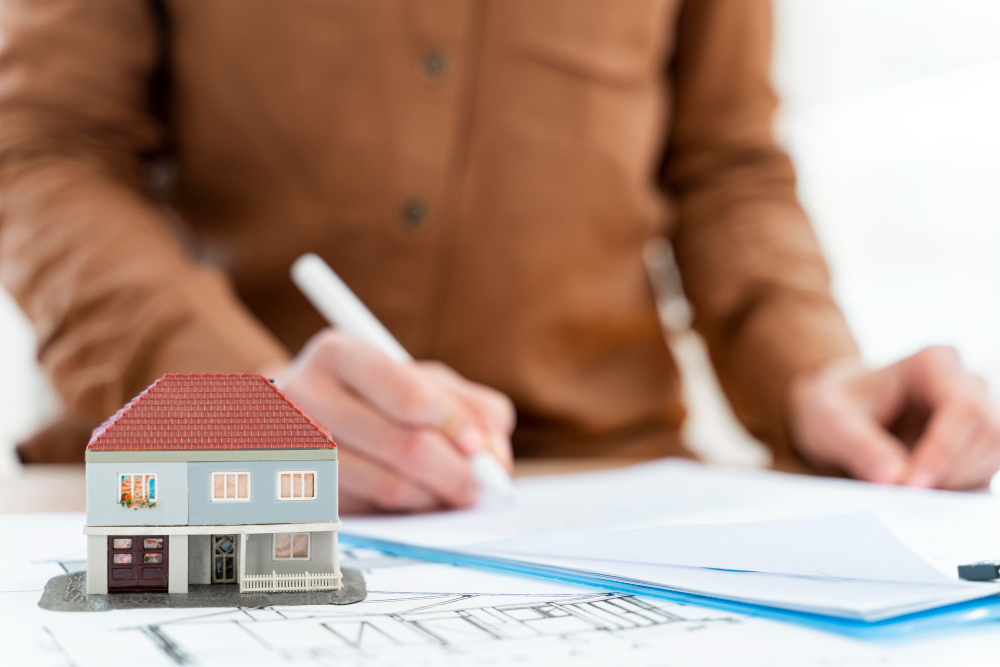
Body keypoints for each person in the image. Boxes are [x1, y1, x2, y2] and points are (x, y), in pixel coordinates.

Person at [2, 0, 998, 513]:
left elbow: (723, 163)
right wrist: (238, 399)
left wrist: (814, 370)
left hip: (602, 493)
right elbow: (43, 150)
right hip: (211, 478)